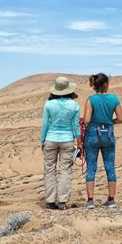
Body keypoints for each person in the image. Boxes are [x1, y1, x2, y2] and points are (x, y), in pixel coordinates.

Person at [41, 76, 82, 210]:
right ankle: (63, 201)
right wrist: (79, 141)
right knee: (65, 171)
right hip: (67, 140)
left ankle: (50, 201)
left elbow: (45, 124)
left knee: (49, 170)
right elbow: (76, 125)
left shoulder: (48, 104)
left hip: (51, 139)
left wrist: (42, 141)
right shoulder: (74, 105)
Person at [84, 73, 122, 209]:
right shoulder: (114, 99)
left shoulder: (91, 100)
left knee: (91, 167)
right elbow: (120, 119)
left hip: (92, 136)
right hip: (108, 135)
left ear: (95, 85)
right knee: (109, 167)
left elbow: (87, 120)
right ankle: (111, 199)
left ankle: (90, 201)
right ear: (106, 85)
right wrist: (109, 122)